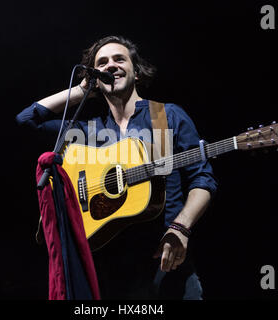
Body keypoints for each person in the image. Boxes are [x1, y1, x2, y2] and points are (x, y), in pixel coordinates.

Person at [16, 35, 217, 300]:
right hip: (112, 270)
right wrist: (81, 90)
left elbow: (202, 180)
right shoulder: (89, 132)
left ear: (136, 72)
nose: (111, 65)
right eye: (102, 62)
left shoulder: (165, 117)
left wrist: (180, 228)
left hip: (167, 263)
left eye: (119, 59)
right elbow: (27, 120)